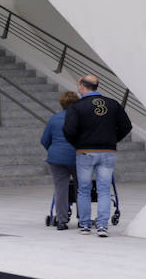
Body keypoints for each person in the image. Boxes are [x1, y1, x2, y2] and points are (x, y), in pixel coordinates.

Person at [63, 74, 133, 237]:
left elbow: (69, 130)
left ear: (82, 86)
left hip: (85, 152)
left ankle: (86, 225)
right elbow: (126, 126)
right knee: (103, 190)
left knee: (84, 190)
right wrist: (113, 140)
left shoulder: (77, 106)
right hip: (108, 152)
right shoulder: (113, 104)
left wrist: (78, 144)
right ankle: (102, 226)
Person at [40, 91, 79, 230]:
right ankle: (83, 220)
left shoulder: (53, 119)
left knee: (61, 189)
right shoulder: (81, 119)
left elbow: (44, 140)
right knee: (81, 189)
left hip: (56, 159)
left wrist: (54, 150)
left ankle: (62, 221)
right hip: (77, 158)